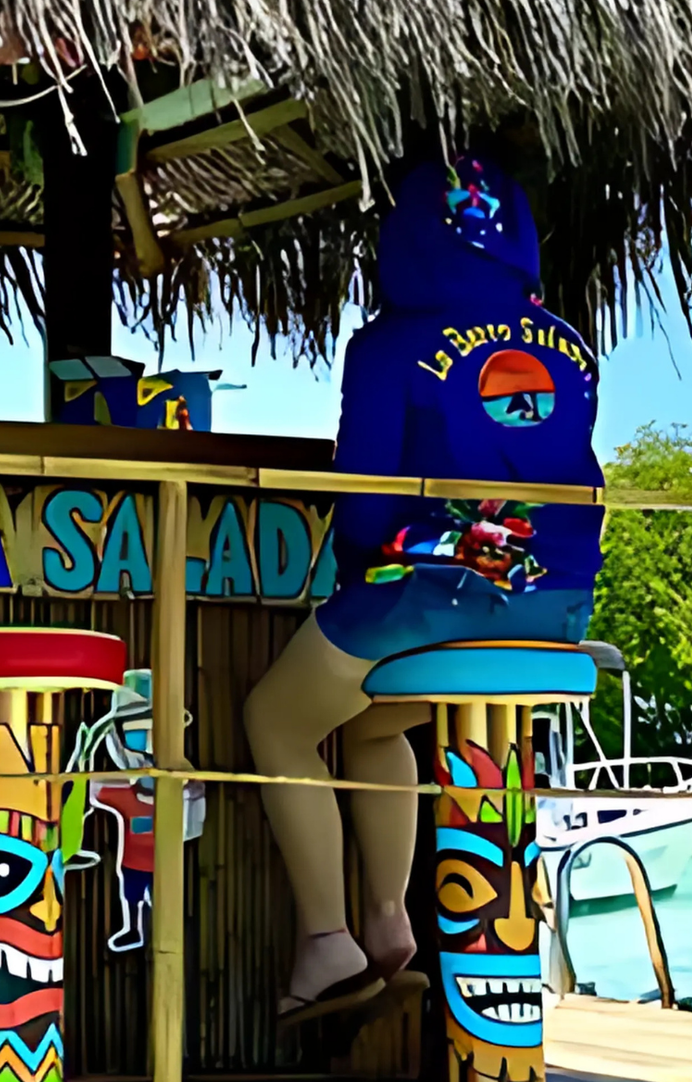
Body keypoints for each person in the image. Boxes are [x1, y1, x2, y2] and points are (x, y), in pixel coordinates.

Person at [242, 152, 602, 1027]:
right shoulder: (569, 343)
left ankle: (329, 940)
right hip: (560, 602)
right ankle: (390, 919)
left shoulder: (387, 344)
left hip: (437, 586)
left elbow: (365, 513)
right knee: (371, 724)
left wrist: (380, 560)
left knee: (277, 721)